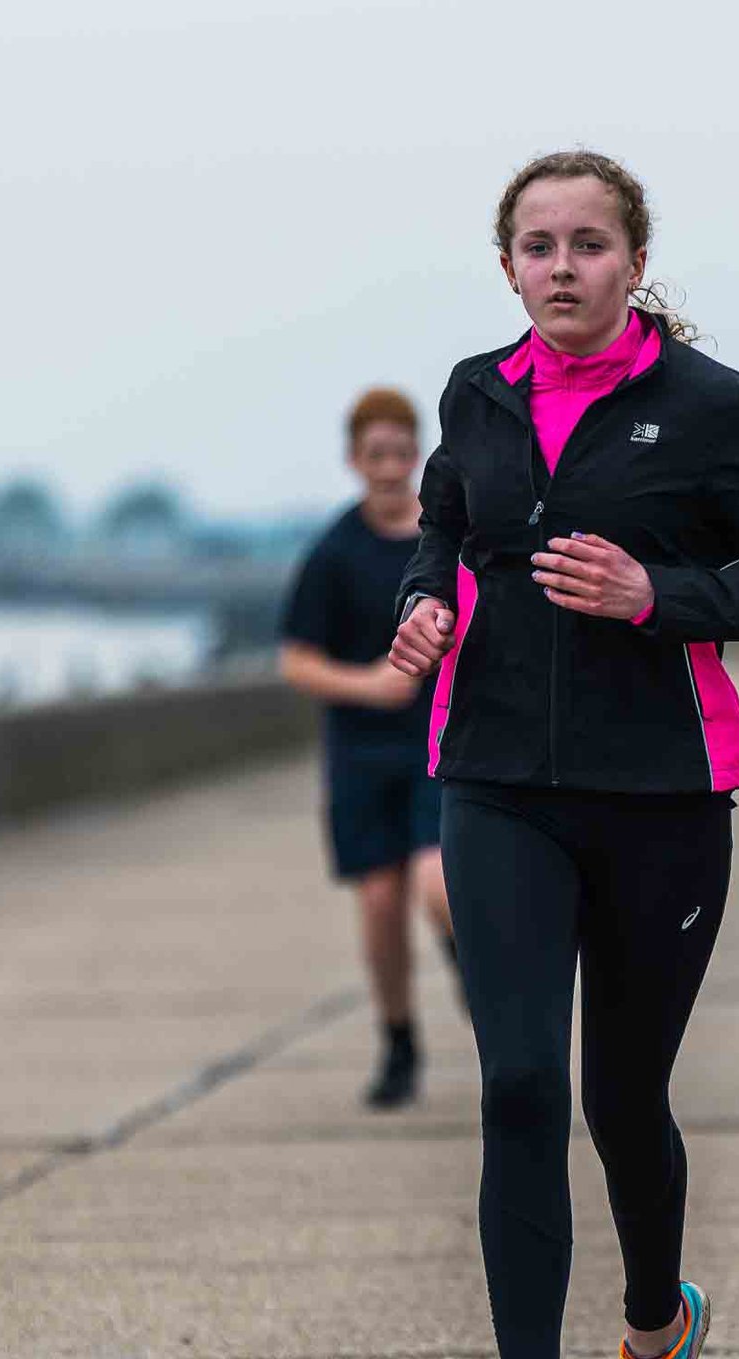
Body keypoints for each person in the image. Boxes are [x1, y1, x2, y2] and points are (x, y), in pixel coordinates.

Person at [387, 149, 739, 1359]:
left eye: (590, 243)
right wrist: (423, 601)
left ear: (637, 263)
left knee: (619, 1094)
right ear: (508, 265)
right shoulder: (477, 392)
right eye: (539, 244)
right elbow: (443, 529)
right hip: (497, 780)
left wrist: (659, 592)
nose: (564, 266)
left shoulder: (717, 410)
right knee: (519, 1076)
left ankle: (654, 1334)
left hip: (663, 794)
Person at [278, 388, 456, 1110]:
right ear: (355, 460)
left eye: (400, 453)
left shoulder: (443, 540)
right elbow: (295, 660)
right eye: (374, 455)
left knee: (438, 885)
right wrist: (369, 683)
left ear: (418, 455)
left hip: (440, 746)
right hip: (359, 753)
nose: (388, 468)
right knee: (381, 904)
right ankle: (399, 1040)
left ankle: (474, 975)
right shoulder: (332, 552)